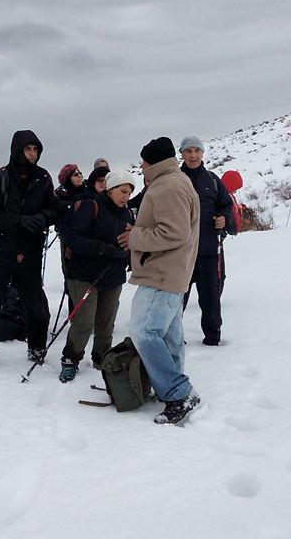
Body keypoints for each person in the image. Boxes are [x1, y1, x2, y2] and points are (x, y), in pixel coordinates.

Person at [117, 137, 202, 425]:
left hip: (161, 273)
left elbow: (174, 232)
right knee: (169, 335)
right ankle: (173, 387)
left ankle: (179, 393)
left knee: (144, 333)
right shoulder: (175, 181)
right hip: (173, 271)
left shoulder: (167, 186)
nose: (140, 165)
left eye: (143, 160)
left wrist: (135, 238)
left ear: (153, 161)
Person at [0, 130, 59, 371]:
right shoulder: (0, 178)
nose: (32, 154)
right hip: (0, 252)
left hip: (30, 252)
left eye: (36, 149)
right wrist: (20, 220)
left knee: (35, 305)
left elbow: (55, 210)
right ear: (17, 150)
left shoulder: (43, 178)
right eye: (28, 149)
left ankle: (36, 347)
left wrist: (42, 217)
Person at [58, 169, 135, 382]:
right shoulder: (91, 206)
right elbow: (73, 237)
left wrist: (126, 253)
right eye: (122, 191)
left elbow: (130, 243)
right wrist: (101, 248)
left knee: (106, 322)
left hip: (113, 275)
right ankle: (70, 359)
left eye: (128, 192)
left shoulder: (128, 214)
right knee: (84, 321)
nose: (125, 196)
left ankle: (102, 359)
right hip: (84, 274)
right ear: (110, 190)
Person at [178, 136, 237, 346]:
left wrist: (225, 219)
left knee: (211, 298)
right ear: (182, 154)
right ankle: (173, 337)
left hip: (208, 251)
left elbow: (226, 206)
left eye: (197, 150)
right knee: (176, 300)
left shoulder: (212, 179)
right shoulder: (175, 179)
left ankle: (213, 337)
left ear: (202, 153)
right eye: (188, 151)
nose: (193, 155)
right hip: (180, 253)